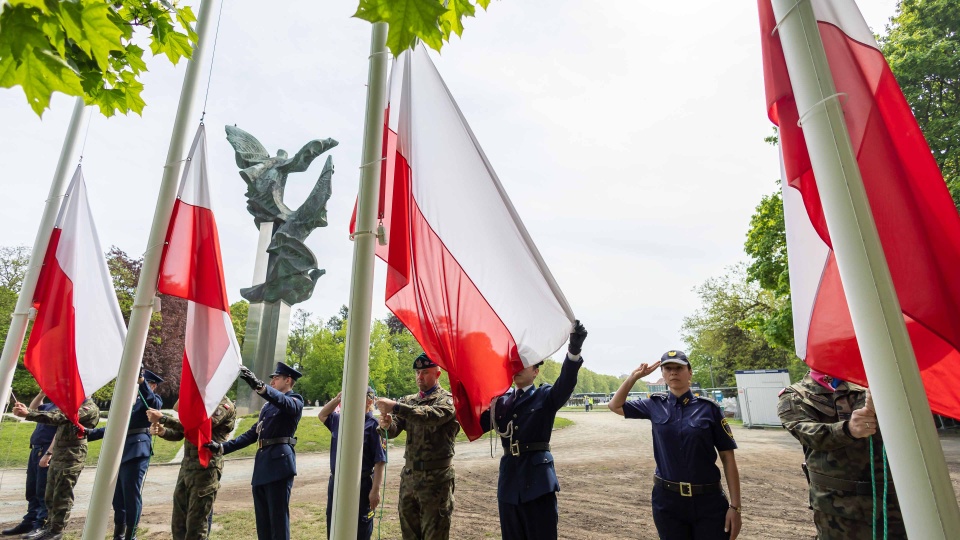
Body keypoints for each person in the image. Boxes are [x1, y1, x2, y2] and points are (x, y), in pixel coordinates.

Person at [609, 350, 741, 540]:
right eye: (668, 368)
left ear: (690, 372)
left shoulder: (709, 409)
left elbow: (728, 457)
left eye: (679, 367)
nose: (673, 372)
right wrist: (634, 377)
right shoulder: (654, 405)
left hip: (708, 501)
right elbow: (615, 405)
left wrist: (735, 507)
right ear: (663, 374)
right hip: (667, 502)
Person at [478, 320, 588, 540]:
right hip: (509, 483)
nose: (517, 368)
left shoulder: (545, 396)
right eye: (514, 364)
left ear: (536, 371)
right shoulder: (500, 402)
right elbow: (479, 424)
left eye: (524, 364)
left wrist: (574, 352)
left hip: (538, 483)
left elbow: (565, 383)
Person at [777, 370, 905, 539]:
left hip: (893, 503)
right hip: (836, 509)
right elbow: (808, 434)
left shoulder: (869, 387)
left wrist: (887, 409)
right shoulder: (796, 395)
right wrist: (848, 429)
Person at [208, 363, 304, 540]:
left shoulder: (295, 400)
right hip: (262, 466)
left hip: (279, 466)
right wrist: (222, 447)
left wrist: (260, 386)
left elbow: (284, 402)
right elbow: (252, 434)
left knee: (278, 521)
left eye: (276, 378)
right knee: (263, 522)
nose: (272, 381)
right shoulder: (268, 407)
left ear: (288, 380)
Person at [376, 353, 460, 540]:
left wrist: (396, 407)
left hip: (436, 480)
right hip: (410, 478)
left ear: (438, 374)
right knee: (409, 534)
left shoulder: (447, 400)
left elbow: (430, 416)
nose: (419, 377)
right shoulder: (409, 401)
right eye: (417, 372)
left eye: (425, 372)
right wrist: (386, 425)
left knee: (434, 535)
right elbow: (395, 429)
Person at [86, 369, 164, 540]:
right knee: (117, 498)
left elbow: (153, 403)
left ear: (152, 385)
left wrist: (142, 383)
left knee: (131, 495)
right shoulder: (129, 402)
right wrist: (89, 433)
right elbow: (117, 425)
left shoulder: (152, 400)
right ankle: (119, 534)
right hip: (119, 451)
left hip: (136, 451)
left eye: (144, 383)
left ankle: (130, 535)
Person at [147, 395, 236, 540]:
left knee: (196, 525)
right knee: (179, 522)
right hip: (187, 467)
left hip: (206, 468)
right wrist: (163, 431)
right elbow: (181, 433)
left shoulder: (224, 405)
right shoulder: (200, 401)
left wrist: (164, 419)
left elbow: (199, 427)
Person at [12, 398, 100, 540]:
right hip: (59, 453)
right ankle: (49, 527)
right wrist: (28, 410)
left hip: (72, 456)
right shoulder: (71, 406)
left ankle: (56, 531)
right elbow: (52, 414)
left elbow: (59, 416)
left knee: (62, 495)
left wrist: (28, 414)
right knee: (50, 494)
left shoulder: (89, 408)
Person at [317, 387, 386, 539]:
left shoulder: (373, 425)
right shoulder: (339, 420)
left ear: (369, 401)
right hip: (336, 482)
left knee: (360, 527)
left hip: (361, 484)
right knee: (334, 524)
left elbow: (380, 461)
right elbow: (322, 415)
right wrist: (337, 399)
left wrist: (375, 490)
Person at [2, 393, 57, 537]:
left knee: (42, 490)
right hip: (36, 449)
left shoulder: (64, 408)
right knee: (32, 489)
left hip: (46, 450)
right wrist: (41, 394)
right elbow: (33, 409)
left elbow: (60, 433)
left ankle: (40, 524)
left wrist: (49, 453)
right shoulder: (50, 405)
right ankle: (29, 522)